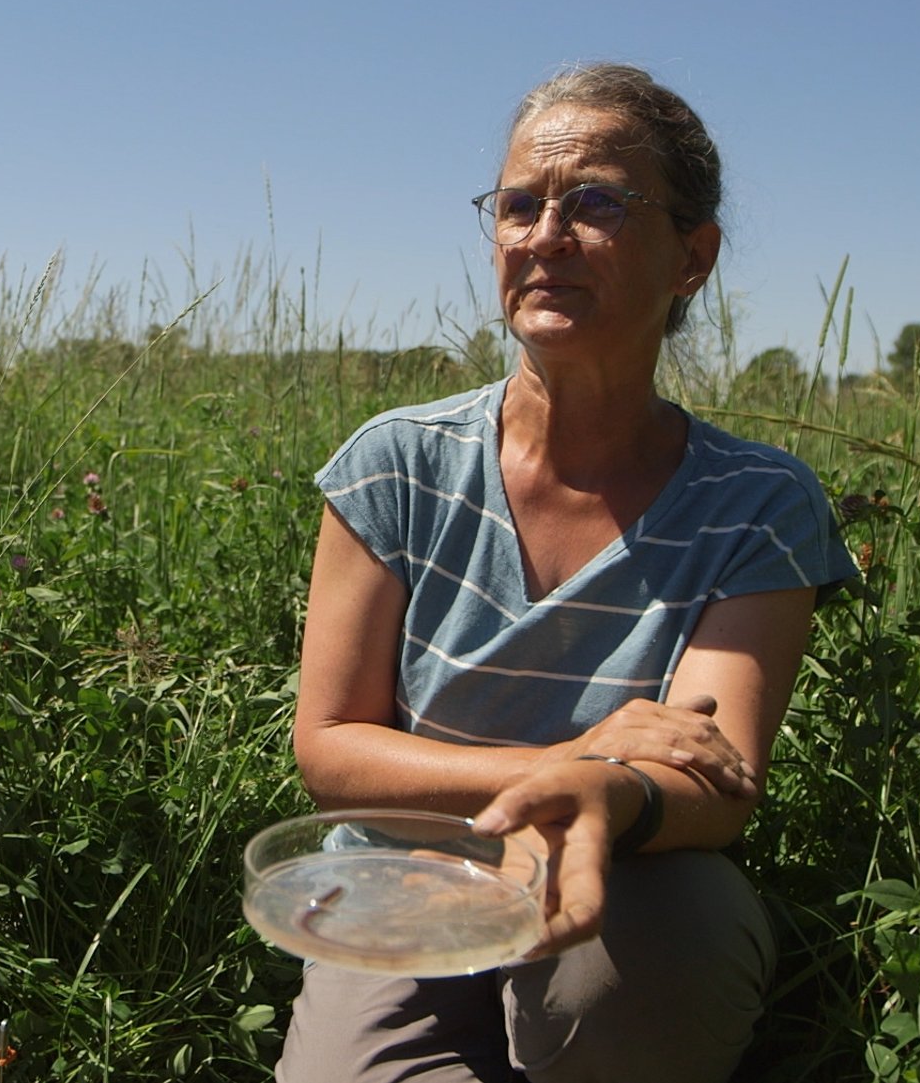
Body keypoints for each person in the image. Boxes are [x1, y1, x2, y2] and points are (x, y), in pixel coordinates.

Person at [275, 63, 857, 1083]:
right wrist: (579, 758)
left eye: (593, 203)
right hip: (404, 872)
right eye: (517, 205)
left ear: (691, 256)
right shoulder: (395, 462)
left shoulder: (757, 501)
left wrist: (607, 800)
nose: (543, 235)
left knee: (652, 966)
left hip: (636, 880)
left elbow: (709, 779)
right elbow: (330, 749)